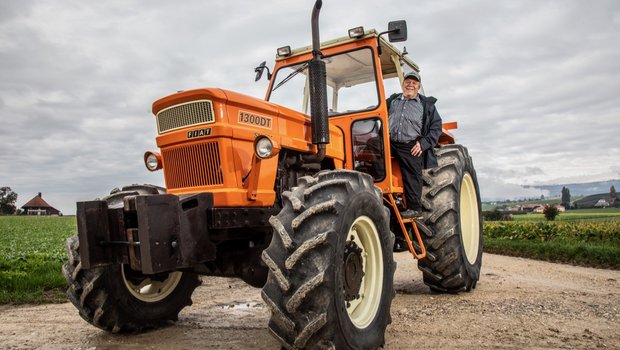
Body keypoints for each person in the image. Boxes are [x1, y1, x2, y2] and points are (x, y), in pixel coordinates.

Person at [387, 70, 442, 219]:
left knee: (412, 173)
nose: (410, 84)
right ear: (402, 84)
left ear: (418, 86)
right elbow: (377, 111)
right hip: (390, 142)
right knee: (370, 150)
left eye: (414, 83)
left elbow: (436, 127)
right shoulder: (393, 100)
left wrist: (423, 144)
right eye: (408, 82)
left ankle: (414, 208)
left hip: (410, 144)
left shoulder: (426, 104)